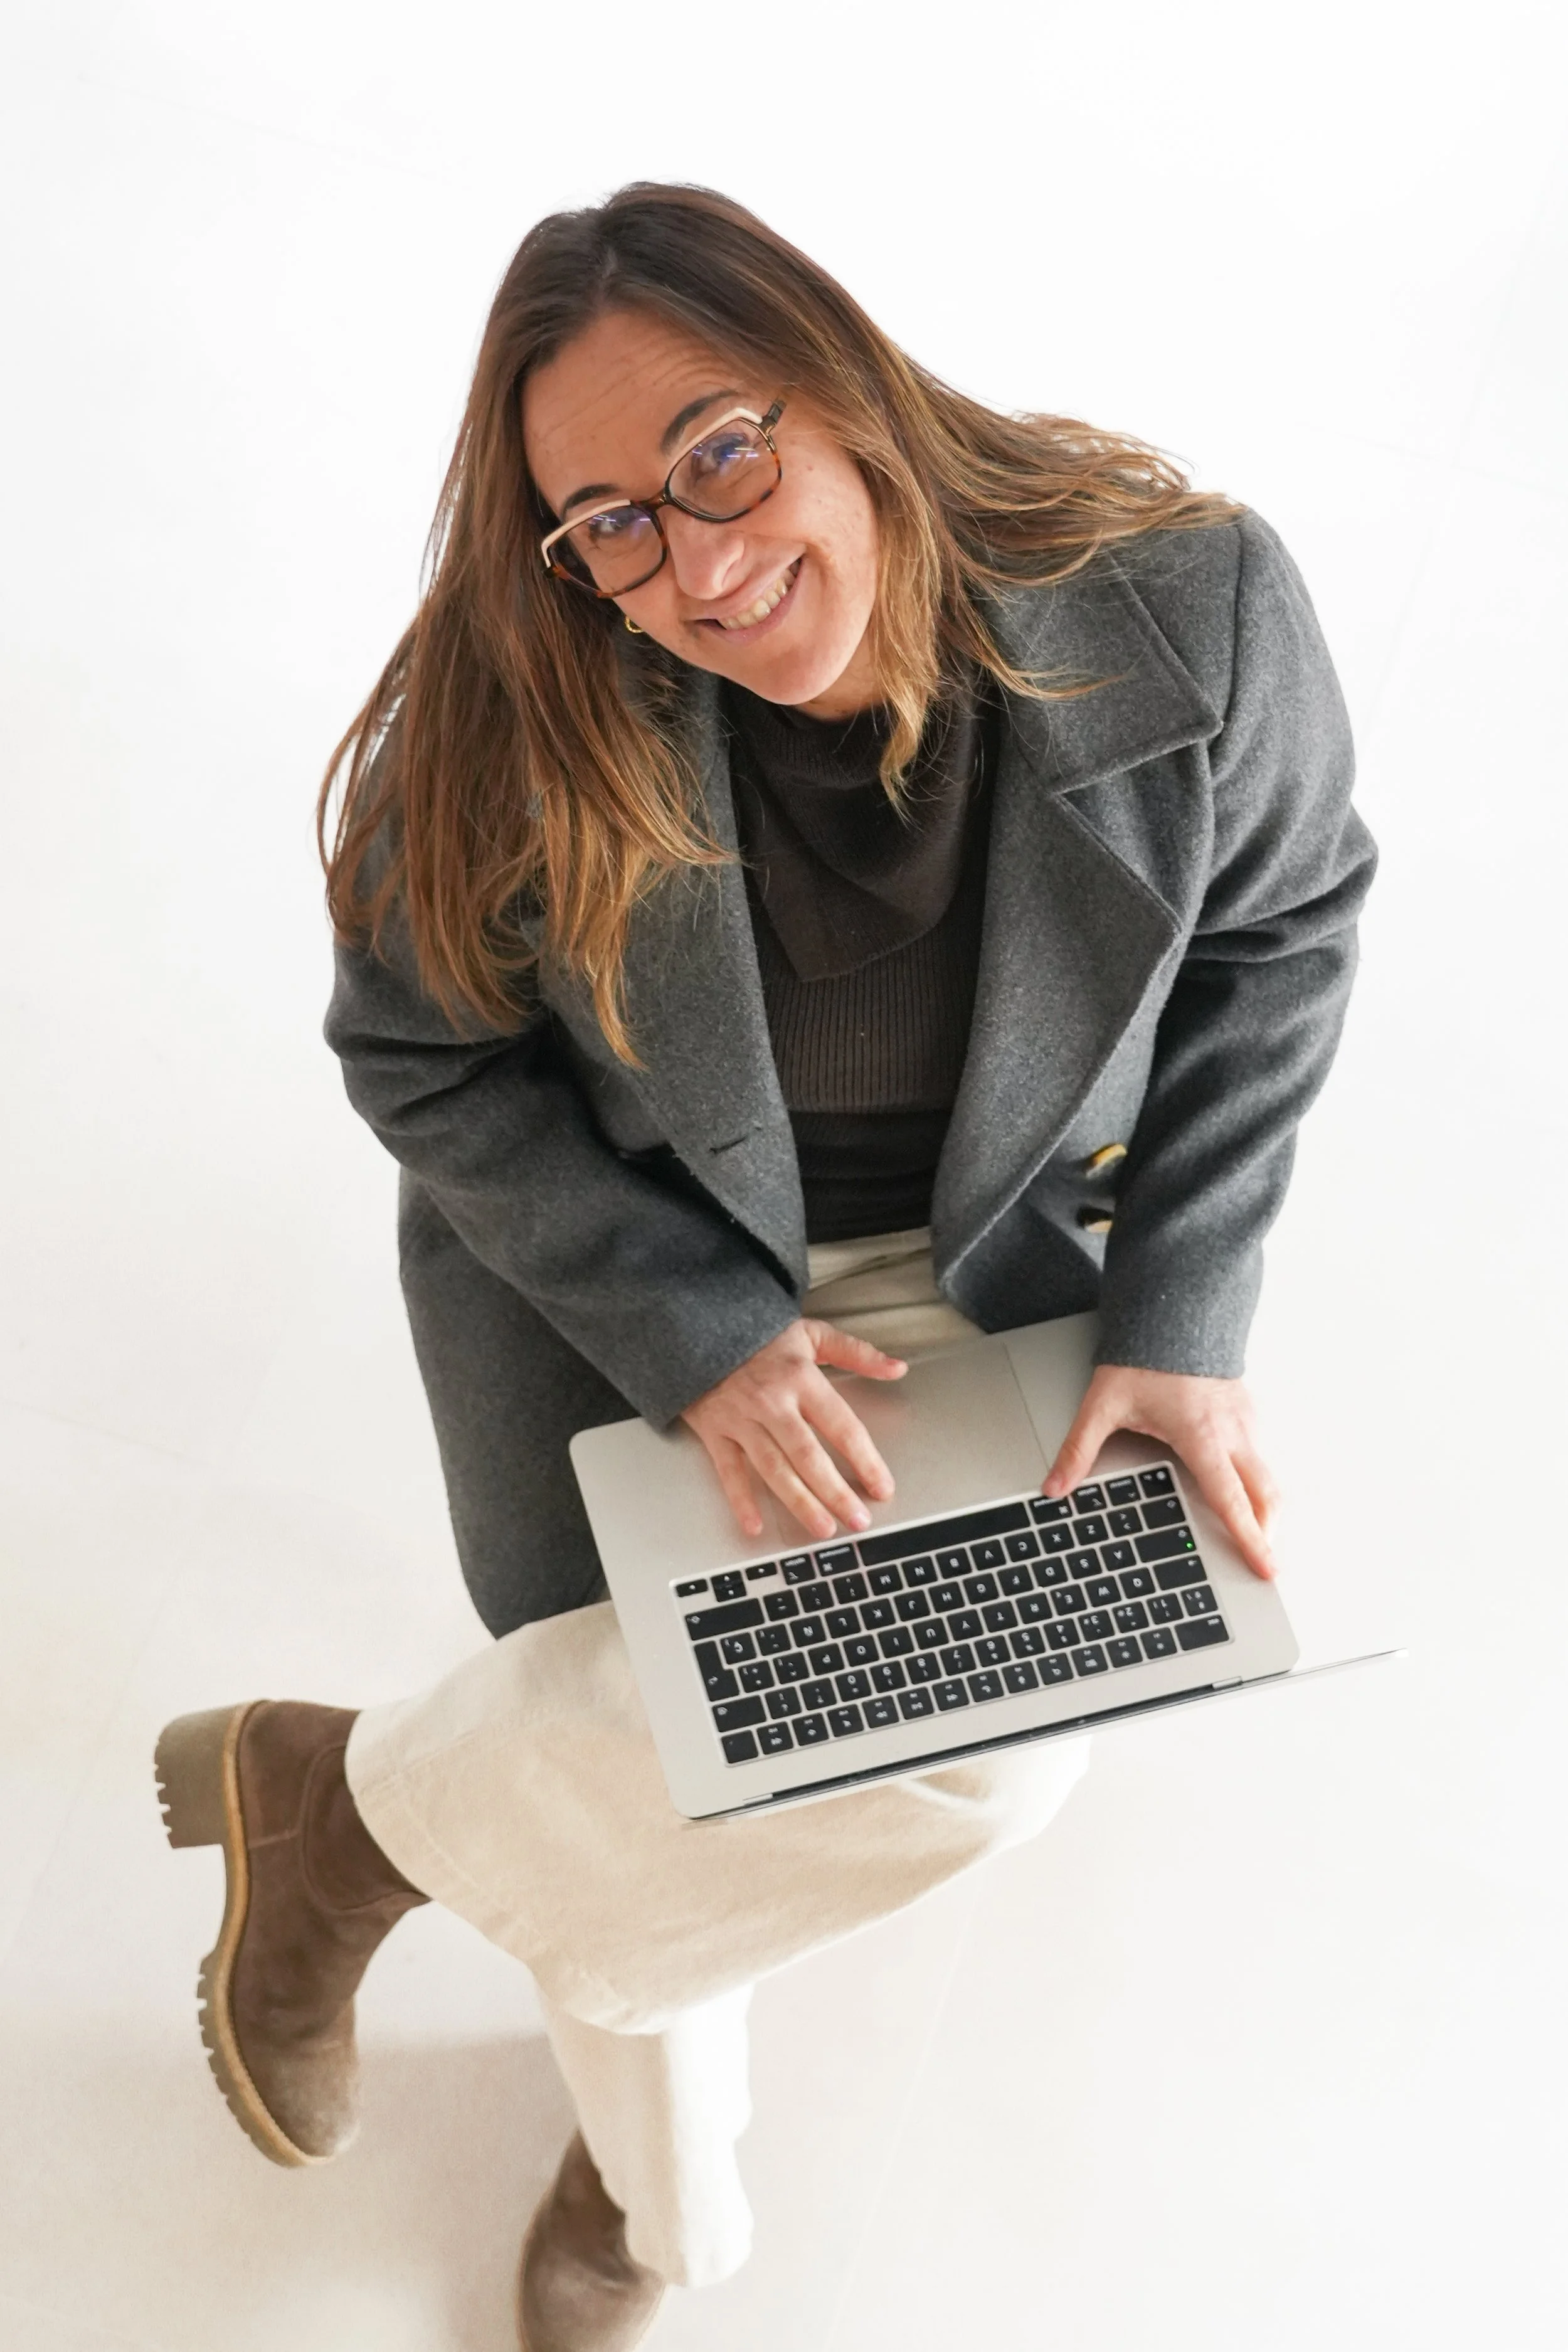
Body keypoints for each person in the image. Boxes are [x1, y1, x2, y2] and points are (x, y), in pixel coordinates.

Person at [154, 182, 1375, 2351]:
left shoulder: (1194, 613)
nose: (696, 568)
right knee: (678, 1745)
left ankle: (347, 1805)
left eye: (721, 453)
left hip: (989, 1268)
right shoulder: (519, 724)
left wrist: (1187, 1309)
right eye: (609, 523)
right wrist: (700, 1336)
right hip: (637, 1288)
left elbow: (1283, 924)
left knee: (951, 1748)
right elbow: (414, 1057)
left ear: (844, 386)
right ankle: (659, 2222)